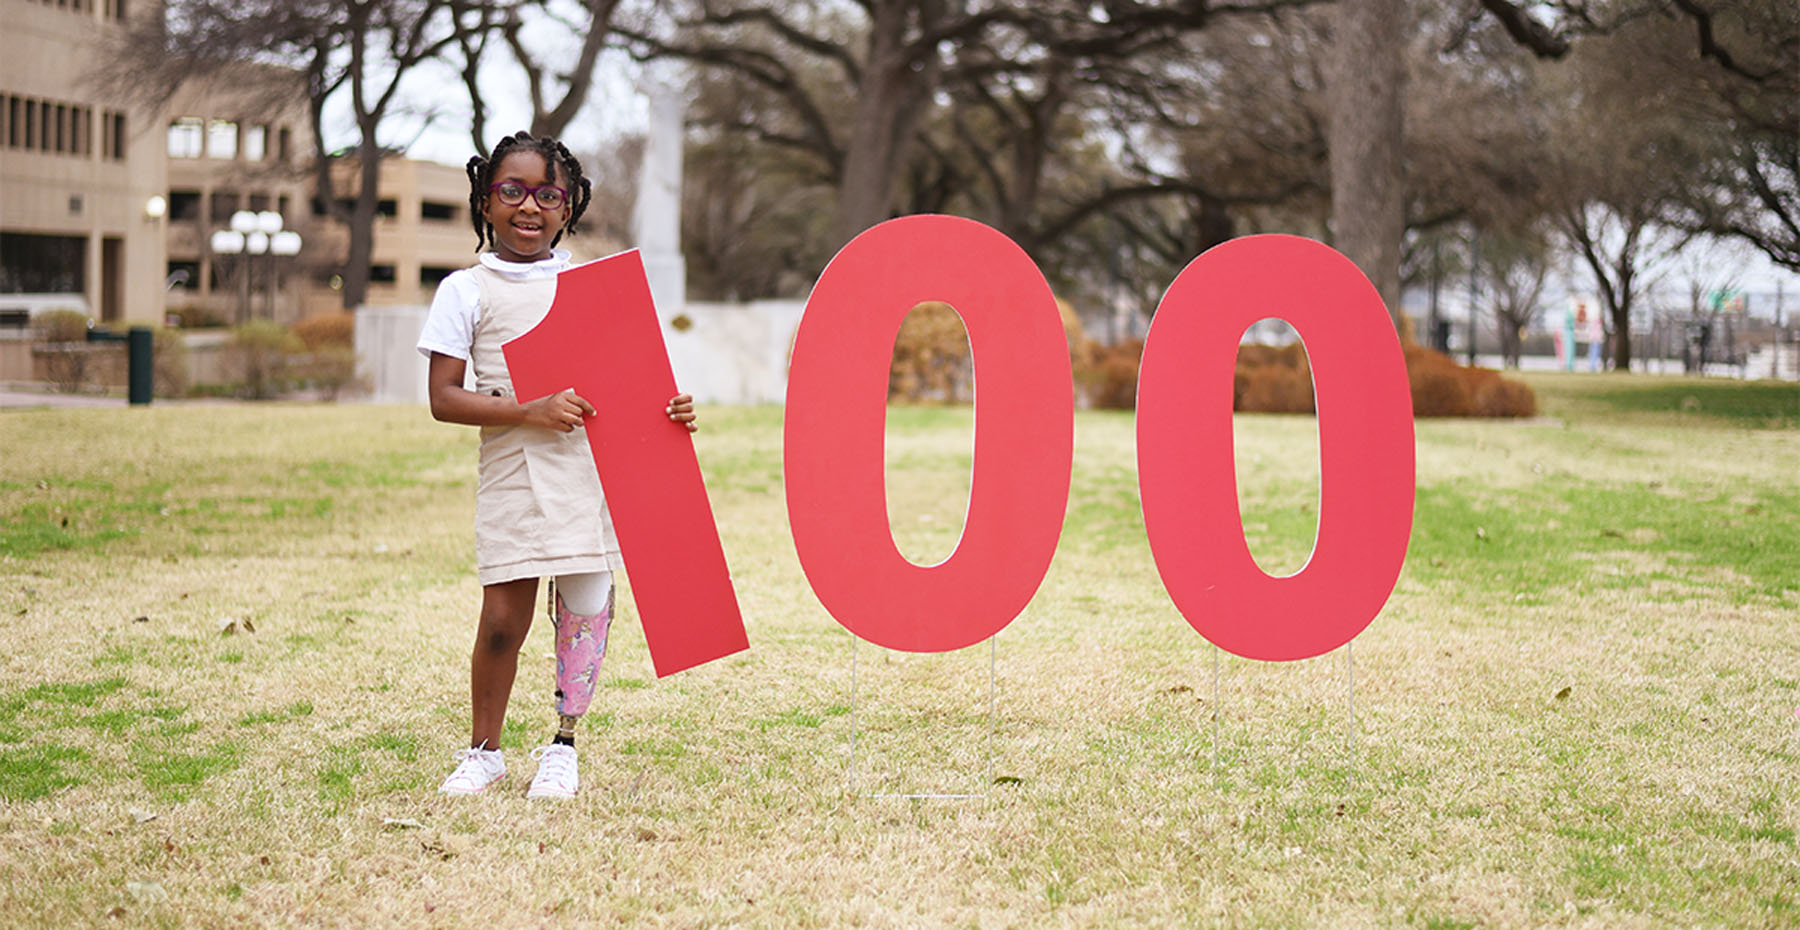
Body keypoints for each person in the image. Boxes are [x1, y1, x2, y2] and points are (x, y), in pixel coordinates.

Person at [415, 131, 696, 799]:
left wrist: (672, 408)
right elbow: (442, 399)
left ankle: (563, 746)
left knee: (584, 611)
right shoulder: (465, 289)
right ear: (486, 201)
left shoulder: (592, 285)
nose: (530, 208)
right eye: (512, 191)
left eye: (548, 194)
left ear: (569, 207)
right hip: (515, 469)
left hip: (590, 475)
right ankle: (484, 751)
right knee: (503, 621)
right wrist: (527, 410)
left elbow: (632, 385)